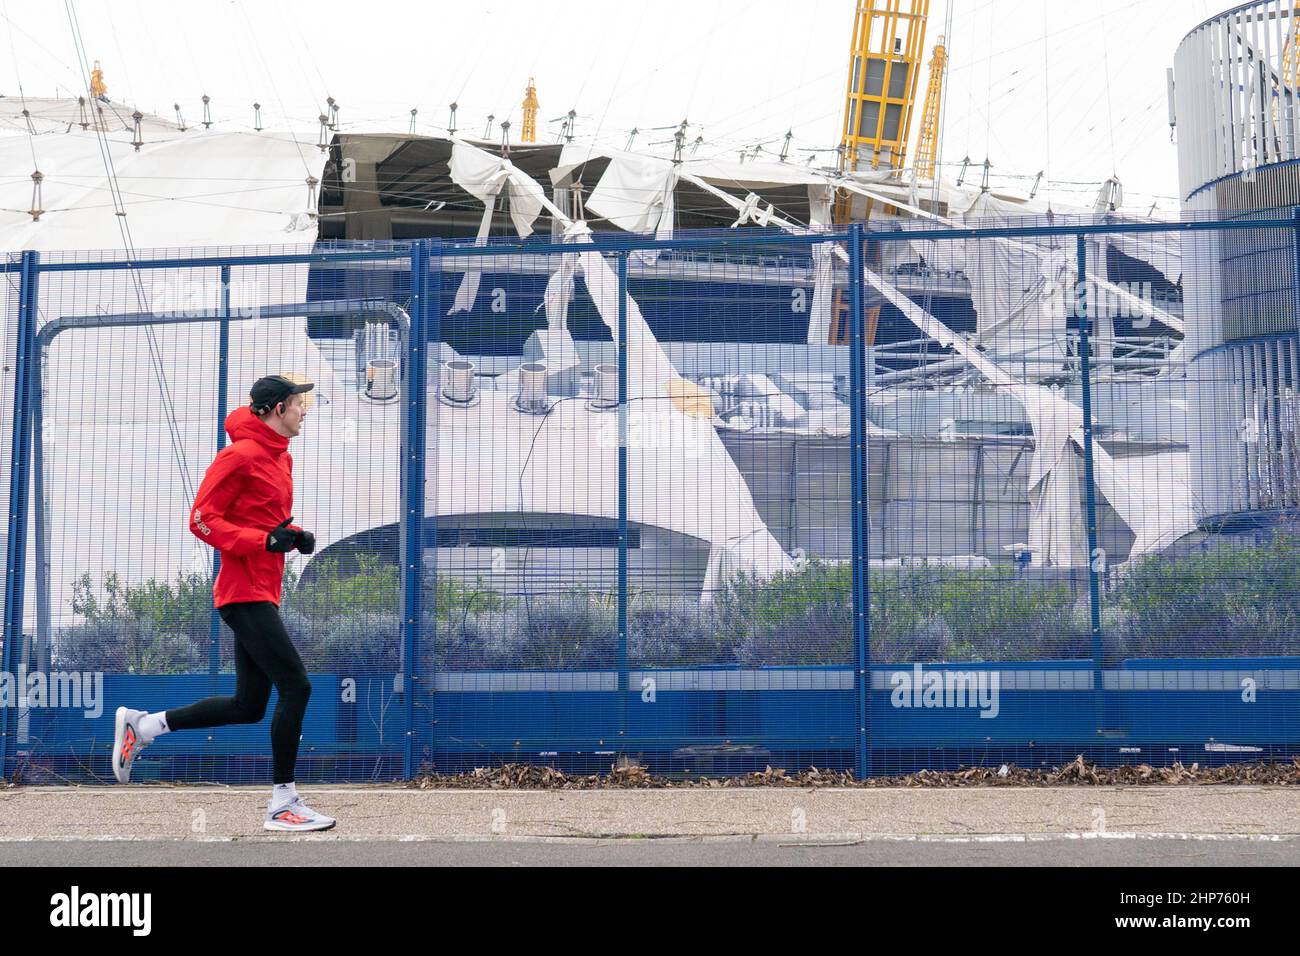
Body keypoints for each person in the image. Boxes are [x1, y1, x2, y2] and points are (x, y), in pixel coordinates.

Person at [111, 375, 336, 832]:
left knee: (249, 705)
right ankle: (282, 804)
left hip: (263, 589)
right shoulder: (238, 456)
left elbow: (262, 522)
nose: (304, 411)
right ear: (276, 409)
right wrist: (264, 540)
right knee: (297, 685)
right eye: (298, 404)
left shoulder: (280, 459)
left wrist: (290, 537)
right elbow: (202, 520)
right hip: (242, 592)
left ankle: (145, 727)